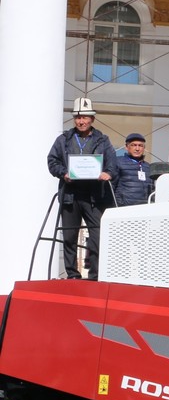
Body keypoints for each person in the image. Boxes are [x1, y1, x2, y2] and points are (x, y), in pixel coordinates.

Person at [46, 97, 119, 280]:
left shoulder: (103, 140)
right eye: (78, 117)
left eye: (85, 117)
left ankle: (95, 274)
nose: (81, 121)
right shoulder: (63, 139)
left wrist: (108, 173)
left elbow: (113, 164)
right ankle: (72, 274)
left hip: (94, 195)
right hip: (70, 194)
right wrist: (63, 173)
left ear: (92, 119)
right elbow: (52, 161)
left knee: (97, 234)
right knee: (69, 236)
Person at [116, 133, 153, 206]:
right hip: (124, 207)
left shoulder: (148, 167)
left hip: (145, 208)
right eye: (133, 145)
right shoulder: (117, 162)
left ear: (144, 148)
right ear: (126, 147)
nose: (137, 149)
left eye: (140, 145)